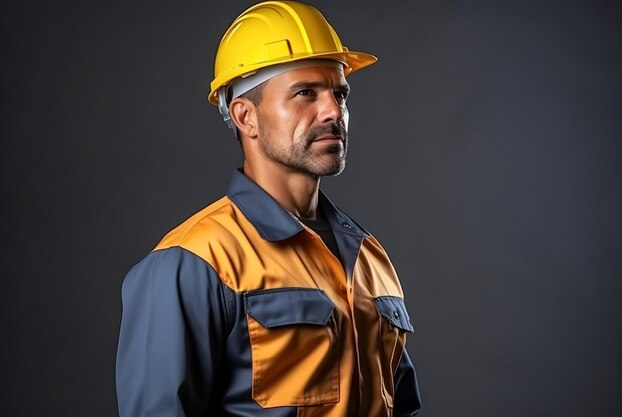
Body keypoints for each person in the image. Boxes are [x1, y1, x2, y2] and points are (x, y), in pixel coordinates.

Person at [115, 2, 421, 416]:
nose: (333, 111)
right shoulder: (194, 262)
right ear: (246, 117)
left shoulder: (369, 258)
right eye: (305, 93)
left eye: (340, 93)